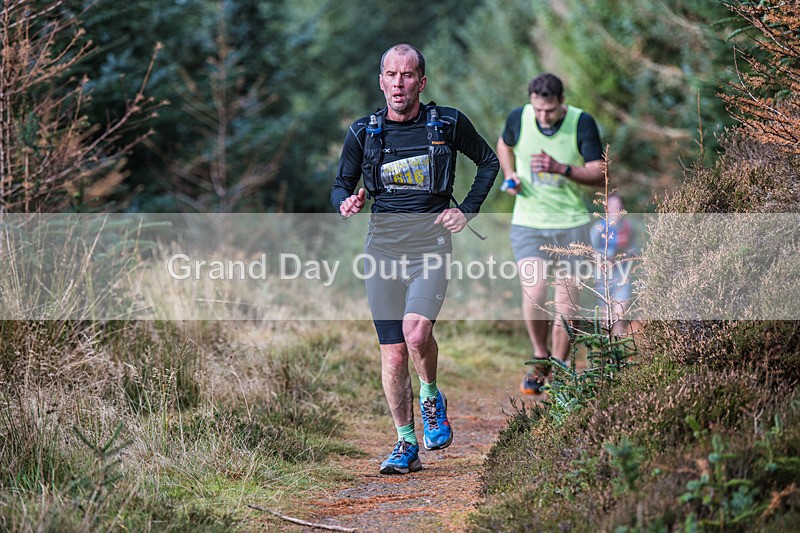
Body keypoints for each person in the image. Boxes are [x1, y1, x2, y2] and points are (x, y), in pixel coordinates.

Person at [331, 44, 499, 474]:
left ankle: (431, 396)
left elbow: (488, 162)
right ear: (381, 81)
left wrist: (467, 209)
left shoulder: (447, 123)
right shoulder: (364, 133)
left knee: (417, 333)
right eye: (391, 74)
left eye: (407, 75)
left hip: (431, 247)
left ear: (421, 82)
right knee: (392, 355)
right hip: (382, 252)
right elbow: (340, 184)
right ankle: (406, 444)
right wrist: (344, 202)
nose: (399, 83)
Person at [497, 73, 605, 395]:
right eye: (538, 110)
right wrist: (510, 174)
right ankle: (539, 355)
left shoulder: (581, 122)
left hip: (572, 223)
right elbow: (505, 144)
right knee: (535, 290)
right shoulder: (519, 117)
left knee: (567, 303)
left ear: (562, 102)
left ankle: (559, 368)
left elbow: (600, 173)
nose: (543, 117)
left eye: (550, 111)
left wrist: (562, 169)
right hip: (529, 222)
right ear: (531, 100)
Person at [590, 191, 637, 336]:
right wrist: (607, 256)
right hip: (603, 275)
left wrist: (628, 254)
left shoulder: (629, 227)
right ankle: (606, 347)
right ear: (606, 208)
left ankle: (617, 350)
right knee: (606, 315)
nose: (617, 209)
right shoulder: (599, 228)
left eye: (620, 206)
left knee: (620, 313)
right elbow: (589, 251)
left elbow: (635, 248)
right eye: (613, 206)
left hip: (623, 275)